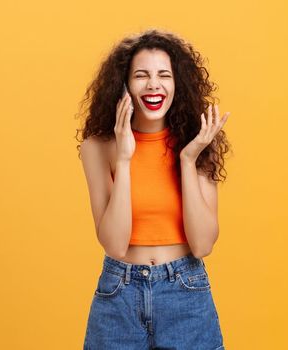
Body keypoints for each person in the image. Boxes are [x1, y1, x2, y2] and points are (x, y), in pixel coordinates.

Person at [74, 29, 232, 349]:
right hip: (119, 294)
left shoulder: (199, 143)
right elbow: (115, 245)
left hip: (185, 293)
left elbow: (202, 245)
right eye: (141, 75)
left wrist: (188, 160)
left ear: (178, 85)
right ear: (124, 86)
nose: (153, 84)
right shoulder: (98, 148)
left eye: (164, 75)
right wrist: (124, 156)